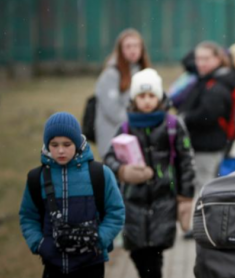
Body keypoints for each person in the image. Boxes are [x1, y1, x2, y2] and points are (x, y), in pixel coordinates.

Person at [103, 69, 195, 278]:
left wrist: (186, 196)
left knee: (155, 254)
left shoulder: (172, 125)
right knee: (137, 252)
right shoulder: (125, 127)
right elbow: (109, 159)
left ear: (159, 97)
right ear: (134, 98)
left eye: (151, 96)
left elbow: (186, 162)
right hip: (132, 202)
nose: (146, 101)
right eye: (142, 96)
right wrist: (123, 171)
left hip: (164, 201)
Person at [19, 112, 125, 278]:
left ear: (77, 142)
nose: (60, 150)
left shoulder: (100, 174)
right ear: (47, 145)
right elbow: (28, 216)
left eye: (67, 144)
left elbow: (116, 212)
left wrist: (99, 240)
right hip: (53, 266)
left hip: (92, 265)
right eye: (54, 145)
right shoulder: (36, 178)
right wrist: (39, 244)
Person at [177, 41, 235, 200]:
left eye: (206, 58)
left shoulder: (217, 84)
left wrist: (184, 119)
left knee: (204, 190)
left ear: (218, 59)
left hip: (208, 147)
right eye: (198, 58)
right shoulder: (206, 80)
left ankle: (201, 225)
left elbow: (207, 115)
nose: (200, 63)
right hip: (204, 145)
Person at [95, 29, 150, 158]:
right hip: (114, 138)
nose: (133, 50)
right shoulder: (111, 75)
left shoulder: (142, 71)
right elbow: (113, 111)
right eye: (128, 46)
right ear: (120, 50)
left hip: (136, 137)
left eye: (136, 46)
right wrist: (140, 120)